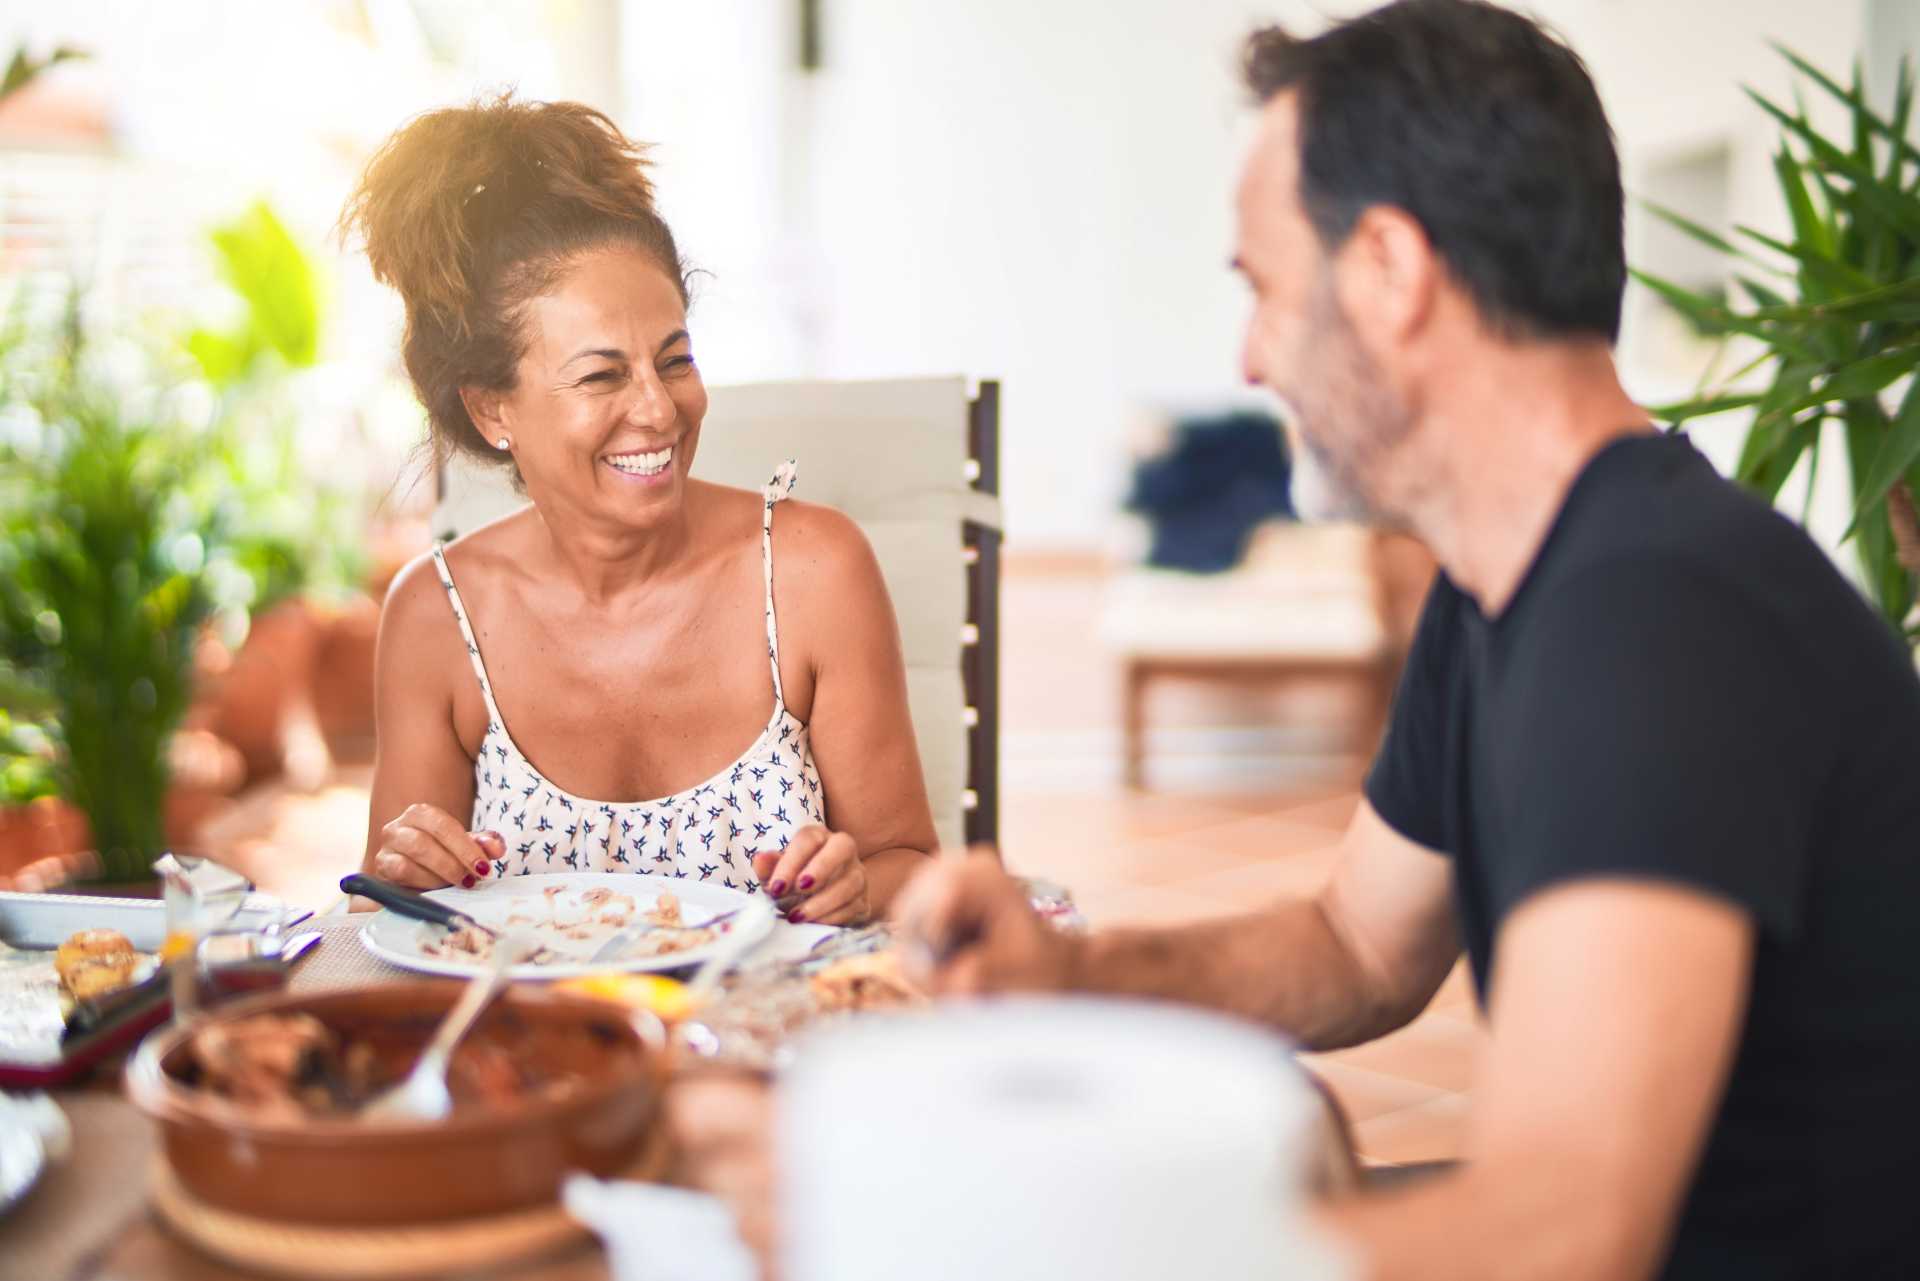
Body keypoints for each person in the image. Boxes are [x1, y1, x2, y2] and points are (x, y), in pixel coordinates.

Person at [893, 2, 1920, 1278]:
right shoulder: (1512, 579)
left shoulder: (1655, 617)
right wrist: (1071, 969)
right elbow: (1360, 946)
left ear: (1388, 271)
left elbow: (1564, 1236)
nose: (1252, 359)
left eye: (1264, 290)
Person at [342, 96, 935, 923]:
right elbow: (393, 912)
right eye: (601, 376)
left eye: (674, 359)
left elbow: (909, 862)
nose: (660, 410)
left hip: (769, 1041)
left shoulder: (813, 573)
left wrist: (863, 883)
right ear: (492, 410)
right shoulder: (434, 617)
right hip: (537, 1046)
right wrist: (408, 874)